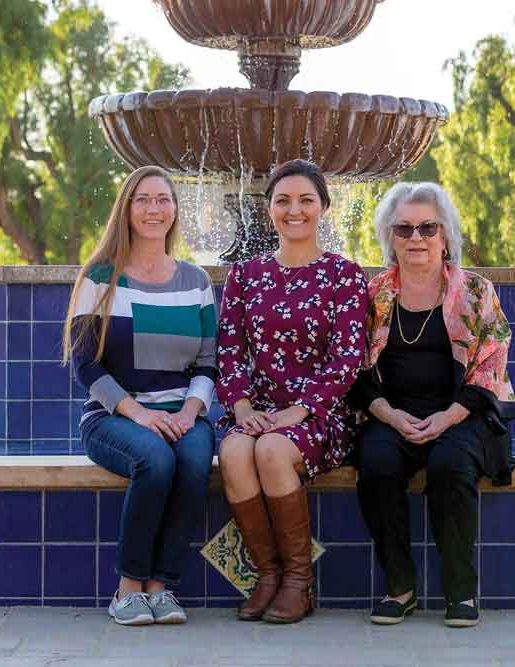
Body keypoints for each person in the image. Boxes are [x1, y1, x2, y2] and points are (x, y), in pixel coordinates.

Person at [351, 182, 515, 628]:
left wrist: (448, 417)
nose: (416, 238)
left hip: (461, 415)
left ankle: (461, 590)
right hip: (393, 415)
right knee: (376, 463)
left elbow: (490, 367)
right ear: (390, 238)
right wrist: (388, 414)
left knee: (450, 465)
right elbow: (355, 372)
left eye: (428, 227)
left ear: (445, 235)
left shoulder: (476, 292)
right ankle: (400, 587)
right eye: (404, 228)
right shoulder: (373, 296)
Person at [62, 165, 217, 626]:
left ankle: (160, 587)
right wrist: (141, 415)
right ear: (126, 209)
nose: (154, 208)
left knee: (191, 462)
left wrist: (190, 413)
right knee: (156, 460)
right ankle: (129, 589)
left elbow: (209, 364)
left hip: (183, 413)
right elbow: (86, 365)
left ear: (174, 209)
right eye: (143, 199)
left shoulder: (196, 282)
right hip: (114, 416)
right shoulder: (100, 277)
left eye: (163, 199)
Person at [216, 159, 369, 624]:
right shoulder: (245, 276)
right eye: (283, 201)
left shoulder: (345, 275)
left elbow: (348, 359)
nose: (294, 210)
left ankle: (300, 583)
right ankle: (267, 575)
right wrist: (242, 408)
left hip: (319, 416)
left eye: (306, 200)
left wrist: (300, 410)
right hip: (256, 411)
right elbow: (229, 351)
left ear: (324, 207)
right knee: (236, 452)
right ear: (269, 211)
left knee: (272, 452)